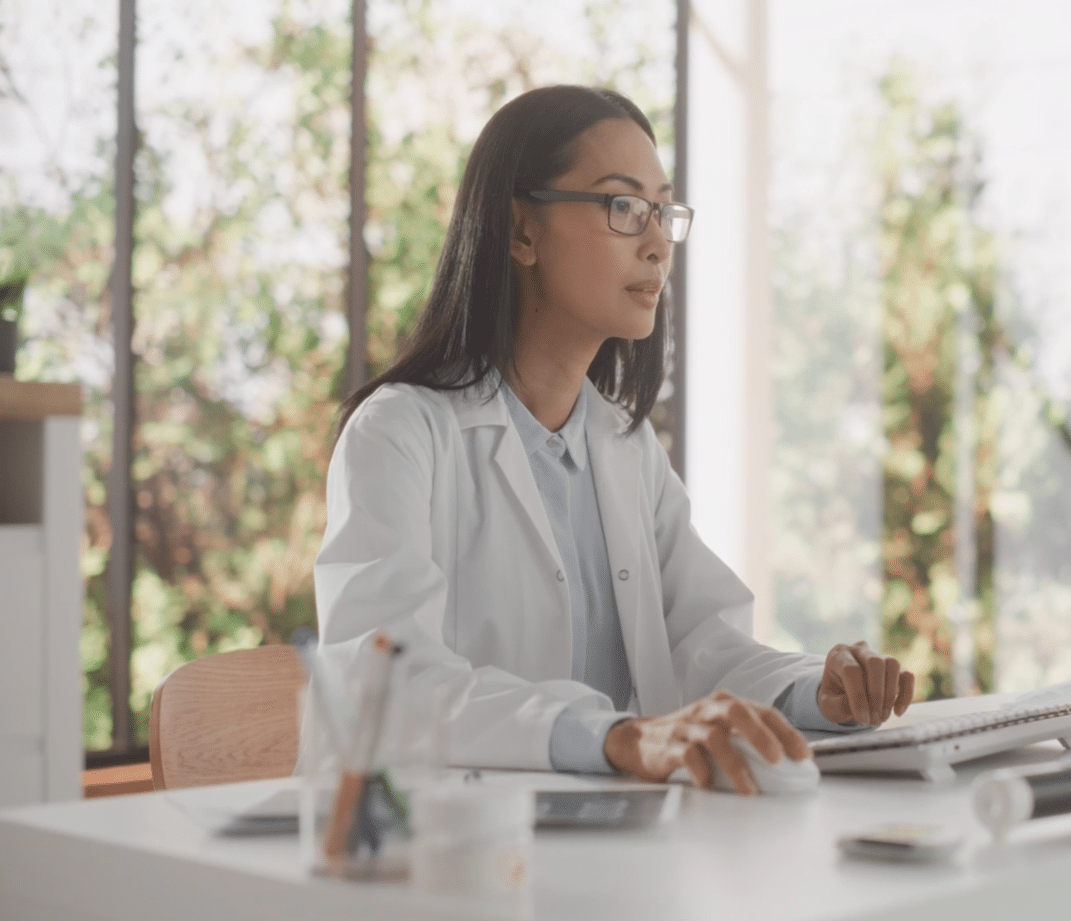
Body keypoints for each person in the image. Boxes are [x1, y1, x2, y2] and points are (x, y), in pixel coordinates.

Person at [316, 85, 916, 795]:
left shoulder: (624, 448)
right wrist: (617, 736)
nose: (657, 241)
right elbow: (391, 684)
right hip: (417, 855)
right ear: (521, 232)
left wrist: (819, 690)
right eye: (623, 206)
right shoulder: (398, 434)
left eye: (663, 211)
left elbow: (703, 642)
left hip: (580, 845)